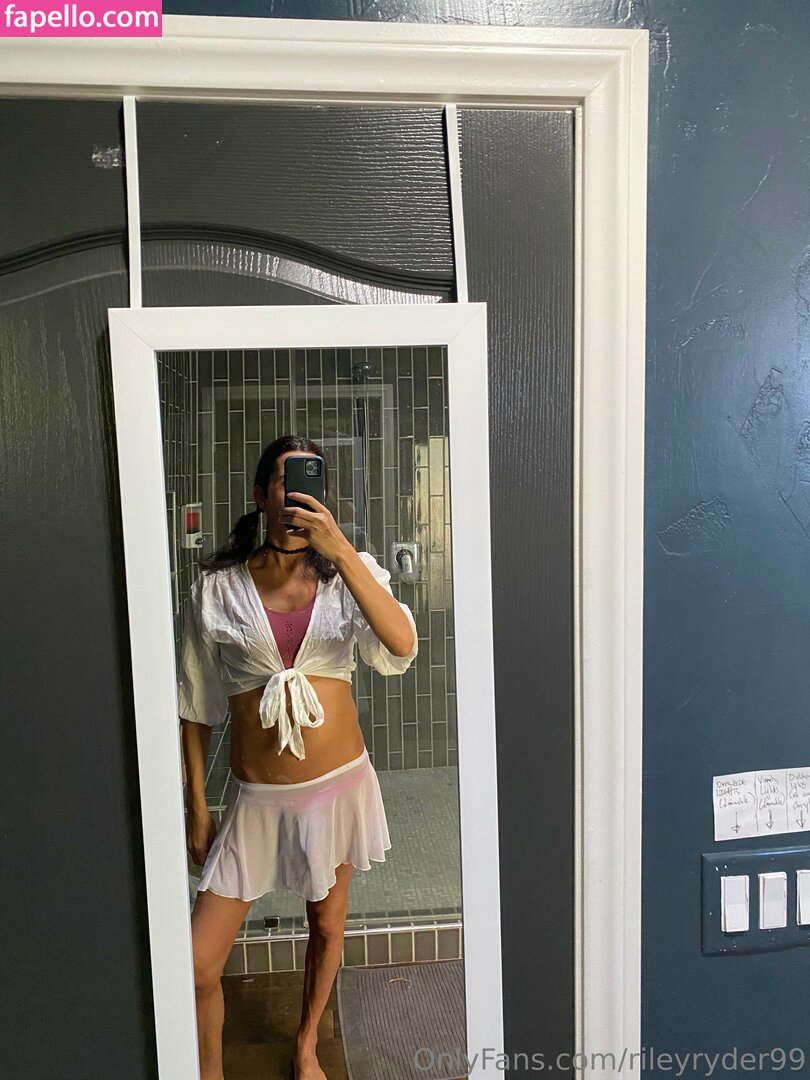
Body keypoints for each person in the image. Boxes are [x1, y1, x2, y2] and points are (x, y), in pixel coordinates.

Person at [178, 434, 418, 1080]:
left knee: (327, 926)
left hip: (338, 788)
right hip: (257, 800)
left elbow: (401, 644)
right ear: (262, 496)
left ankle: (307, 1044)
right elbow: (195, 702)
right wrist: (196, 805)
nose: (297, 494)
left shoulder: (348, 574)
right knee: (197, 963)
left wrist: (340, 551)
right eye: (286, 481)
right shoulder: (217, 589)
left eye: (310, 481)